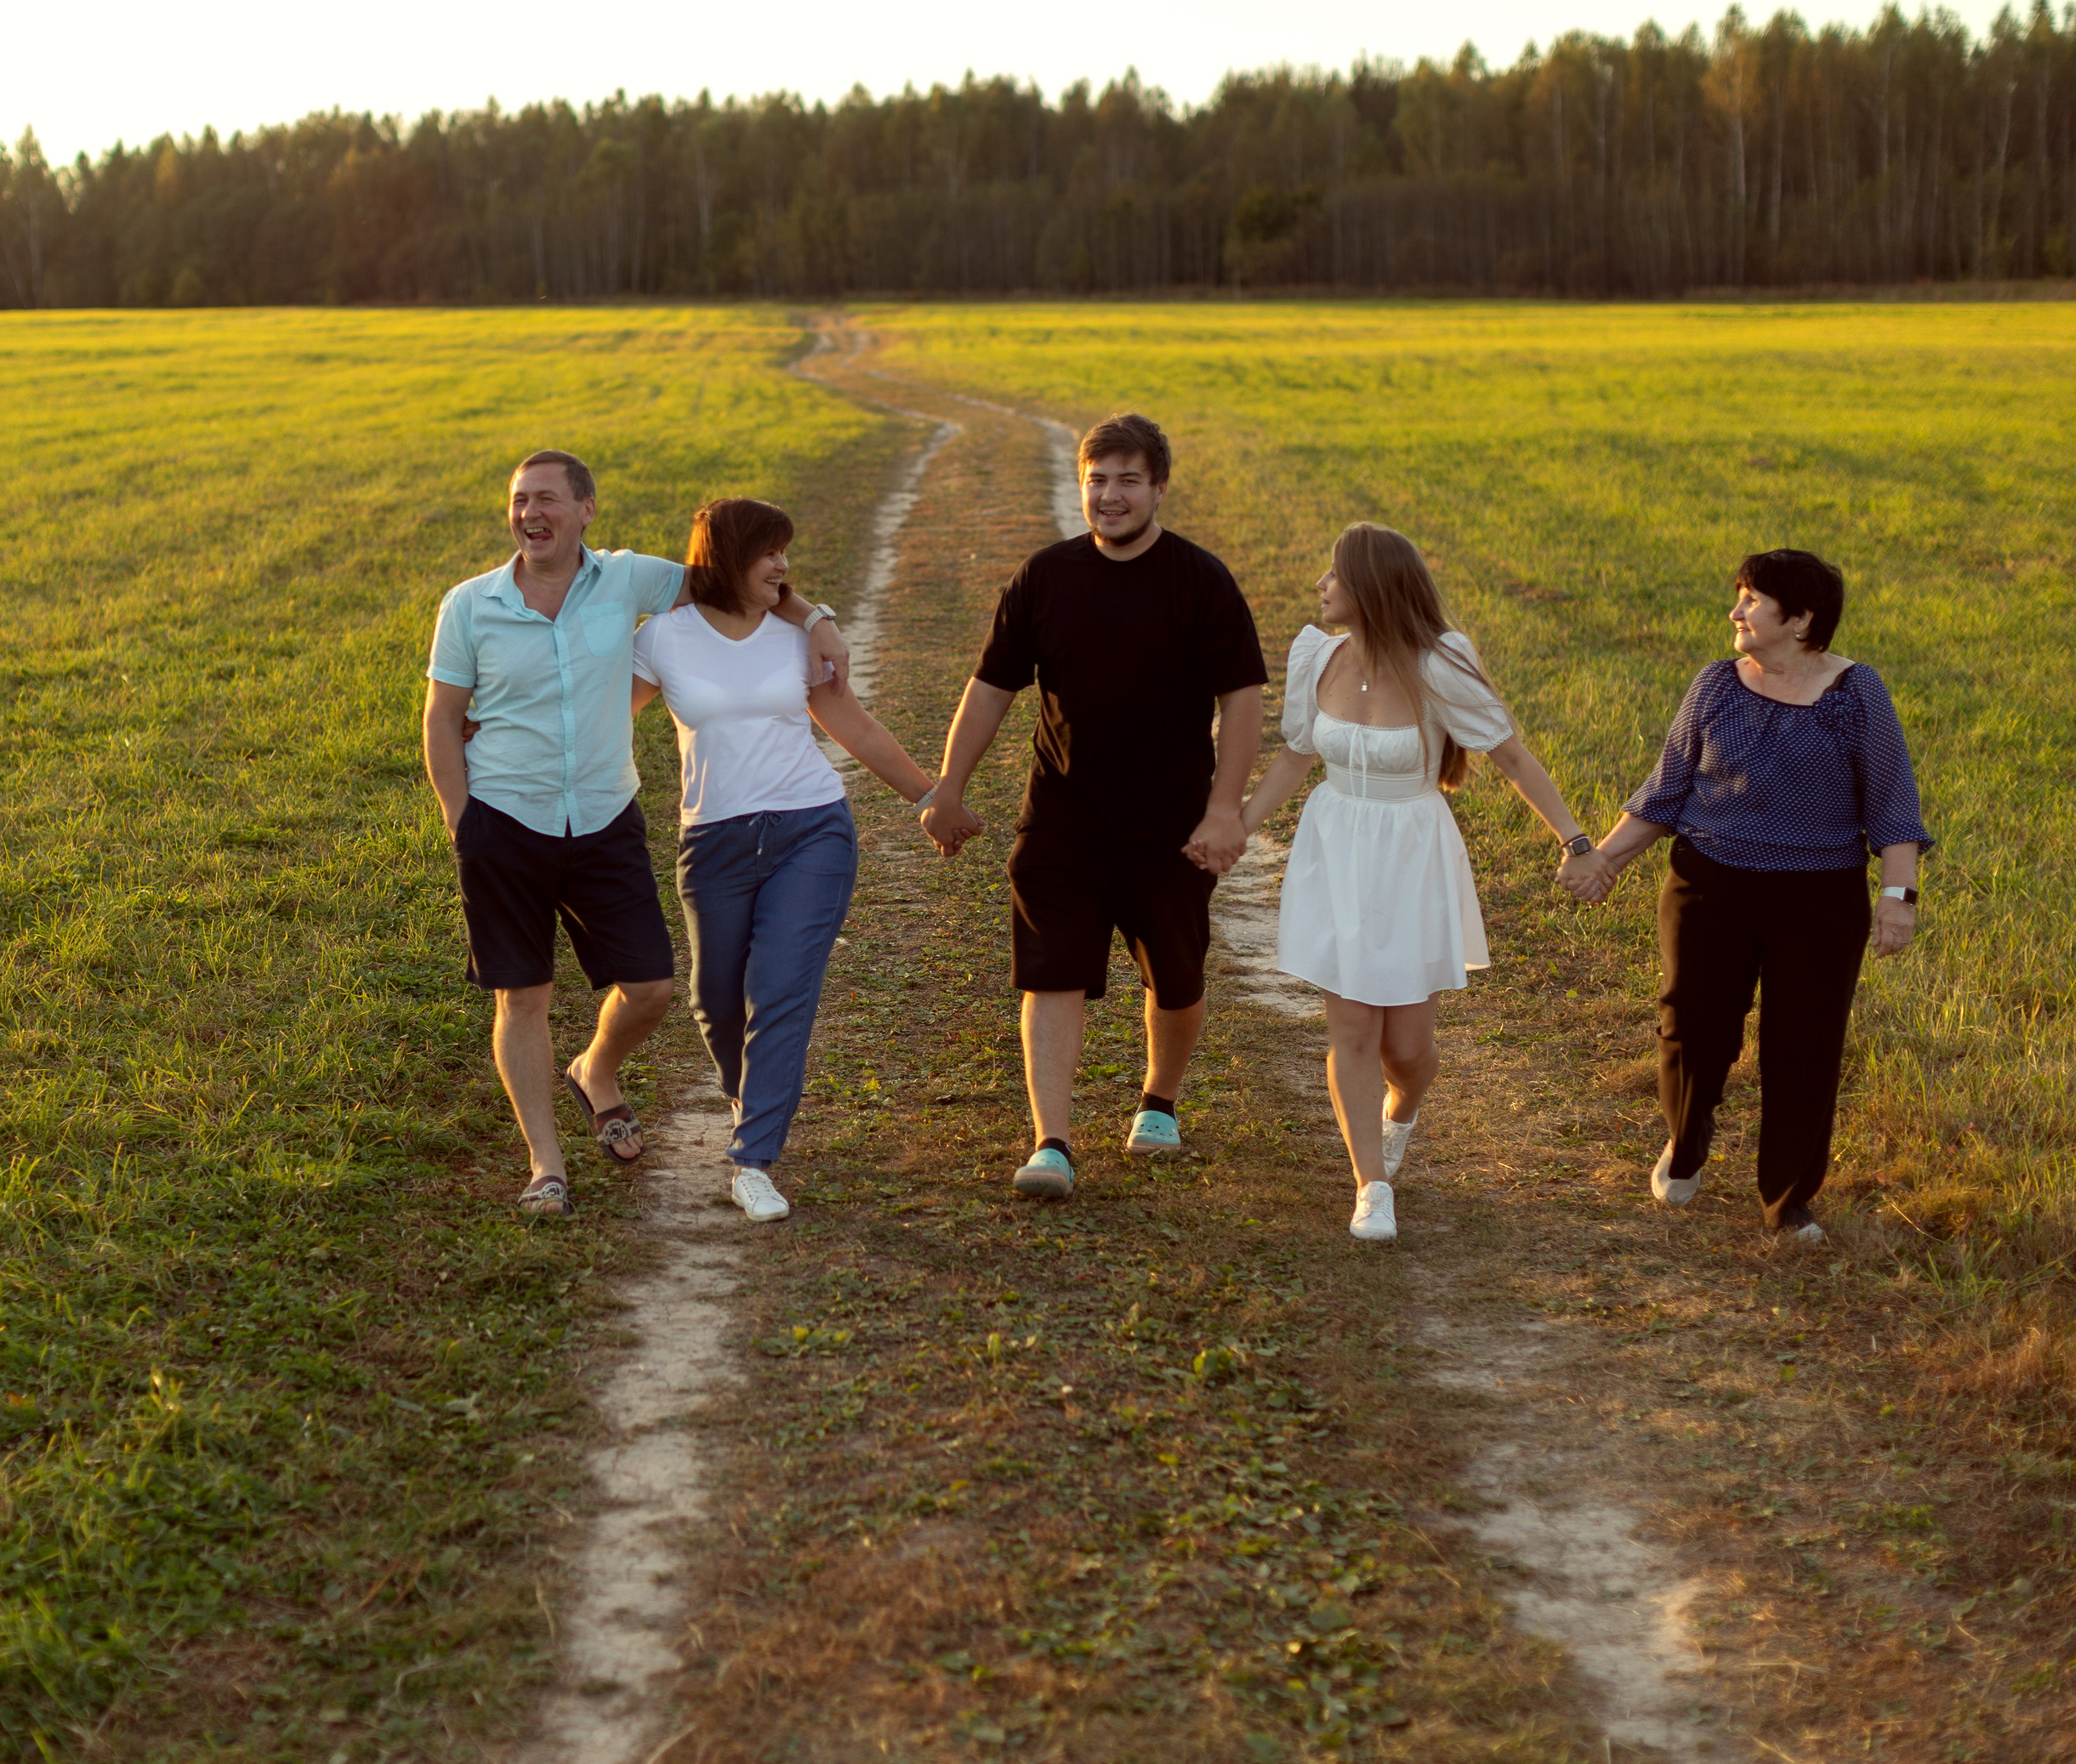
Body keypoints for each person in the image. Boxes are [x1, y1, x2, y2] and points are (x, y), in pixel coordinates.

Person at [423, 451, 850, 1218]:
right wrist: (465, 826)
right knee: (523, 998)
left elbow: (739, 582)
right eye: (521, 501)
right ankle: (545, 1164)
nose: (531, 514)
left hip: (601, 819)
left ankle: (596, 1070)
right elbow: (443, 718)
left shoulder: (628, 580)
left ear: (586, 509)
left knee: (652, 989)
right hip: (504, 820)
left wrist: (815, 618)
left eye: (548, 499)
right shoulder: (469, 605)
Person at [920, 413, 1266, 1200]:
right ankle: (1053, 1142)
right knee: (1053, 972)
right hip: (1063, 816)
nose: (1110, 496)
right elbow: (990, 691)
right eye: (1097, 480)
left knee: (1176, 978)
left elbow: (1241, 701)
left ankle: (1159, 1102)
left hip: (1172, 825)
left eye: (1127, 481)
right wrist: (949, 787)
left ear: (1159, 489)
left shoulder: (1201, 580)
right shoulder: (1046, 577)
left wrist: (1224, 811)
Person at [1237, 524, 1608, 1241]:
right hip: (1337, 844)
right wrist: (1238, 829)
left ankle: (1402, 1107)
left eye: (1335, 575)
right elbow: (1293, 758)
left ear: (1371, 588)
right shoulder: (1317, 655)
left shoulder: (1440, 663)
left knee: (1405, 1048)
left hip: (1411, 850)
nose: (1322, 586)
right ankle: (1371, 1186)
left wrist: (1577, 842)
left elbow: (1511, 758)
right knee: (1349, 1026)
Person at [1573, 549, 1929, 1246]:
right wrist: (1603, 859)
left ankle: (1789, 1199)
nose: (1735, 612)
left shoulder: (1858, 695)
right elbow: (1666, 791)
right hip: (1709, 882)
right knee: (1692, 1026)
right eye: (1739, 597)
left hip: (1819, 899)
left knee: (1804, 1044)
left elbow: (1894, 805)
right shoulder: (1716, 687)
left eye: (1751, 601)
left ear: (1800, 620)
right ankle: (1686, 1138)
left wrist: (1898, 897)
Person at [631, 498, 966, 1221]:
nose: (782, 566)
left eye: (786, 551)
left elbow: (852, 724)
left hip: (810, 829)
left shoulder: (794, 637)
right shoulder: (663, 639)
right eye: (767, 551)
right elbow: (597, 721)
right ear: (725, 558)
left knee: (779, 988)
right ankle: (753, 1100)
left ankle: (752, 1159)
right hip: (712, 839)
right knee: (714, 1001)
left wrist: (930, 798)